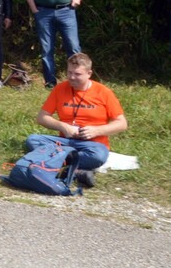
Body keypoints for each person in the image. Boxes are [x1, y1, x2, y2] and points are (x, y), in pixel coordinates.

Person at [32, 52, 128, 182]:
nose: (71, 77)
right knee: (33, 140)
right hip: (64, 143)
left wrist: (96, 131)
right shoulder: (60, 89)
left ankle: (55, 164)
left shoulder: (103, 92)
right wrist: (62, 126)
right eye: (69, 72)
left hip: (92, 145)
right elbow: (42, 117)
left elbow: (122, 124)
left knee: (98, 156)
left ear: (89, 73)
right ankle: (73, 170)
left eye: (77, 74)